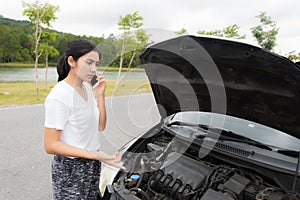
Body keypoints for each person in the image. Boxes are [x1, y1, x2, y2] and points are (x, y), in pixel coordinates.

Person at [44, 39, 125, 199]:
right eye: (88, 62)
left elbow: (101, 126)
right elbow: (51, 145)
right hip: (71, 169)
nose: (93, 69)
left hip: (92, 164)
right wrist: (95, 154)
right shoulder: (60, 95)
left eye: (96, 63)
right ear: (71, 61)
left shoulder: (86, 89)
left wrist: (100, 95)